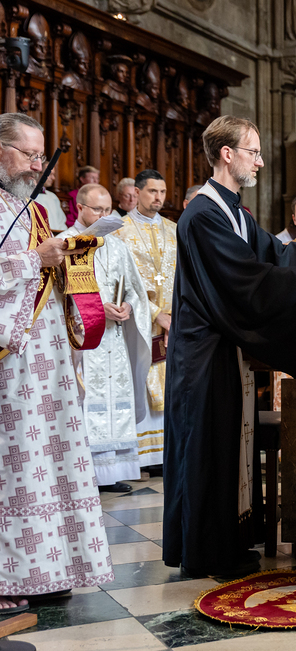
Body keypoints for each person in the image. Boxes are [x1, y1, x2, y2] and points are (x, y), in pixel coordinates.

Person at [163, 116, 296, 578]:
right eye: (253, 152)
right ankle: (206, 551)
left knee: (229, 447)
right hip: (203, 354)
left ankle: (229, 543)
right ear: (228, 154)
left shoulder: (235, 212)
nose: (259, 161)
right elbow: (247, 281)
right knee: (207, 447)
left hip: (226, 348)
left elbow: (275, 254)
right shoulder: (202, 214)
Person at [0, 113, 113, 612]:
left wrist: (67, 257)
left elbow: (45, 273)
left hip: (46, 362)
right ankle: (8, 577)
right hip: (12, 359)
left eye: (40, 155)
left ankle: (48, 568)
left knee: (51, 462)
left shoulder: (32, 209)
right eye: (28, 154)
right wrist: (35, 259)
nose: (36, 165)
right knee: (16, 465)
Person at [58, 184, 151, 494]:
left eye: (108, 209)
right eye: (97, 209)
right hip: (83, 341)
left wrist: (128, 306)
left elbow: (134, 289)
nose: (104, 215)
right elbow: (60, 297)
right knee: (89, 400)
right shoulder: (66, 244)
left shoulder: (116, 245)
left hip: (115, 340)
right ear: (80, 208)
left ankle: (112, 472)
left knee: (115, 400)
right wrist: (99, 308)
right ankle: (86, 473)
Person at [115, 169, 175, 472]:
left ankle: (167, 453)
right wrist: (154, 314)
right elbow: (119, 280)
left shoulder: (174, 230)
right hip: (137, 322)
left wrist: (174, 315)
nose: (159, 197)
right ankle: (143, 455)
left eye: (162, 192)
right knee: (140, 380)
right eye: (153, 191)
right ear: (137, 193)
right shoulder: (119, 231)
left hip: (173, 322)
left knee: (171, 383)